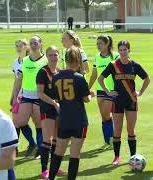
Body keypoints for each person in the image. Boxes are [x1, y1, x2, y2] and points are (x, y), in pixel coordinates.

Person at [98, 40, 150, 166]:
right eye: (120, 50)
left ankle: (133, 157)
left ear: (129, 51)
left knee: (131, 130)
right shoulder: (113, 65)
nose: (122, 52)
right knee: (117, 131)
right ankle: (116, 157)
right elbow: (101, 79)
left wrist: (140, 92)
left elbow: (147, 79)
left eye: (125, 50)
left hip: (131, 101)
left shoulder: (134, 65)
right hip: (117, 101)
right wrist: (108, 92)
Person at [48, 46, 92, 180]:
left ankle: (51, 178)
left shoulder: (56, 77)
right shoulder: (79, 78)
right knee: (74, 154)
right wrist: (90, 94)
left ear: (65, 59)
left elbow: (55, 98)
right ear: (78, 60)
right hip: (79, 120)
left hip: (64, 119)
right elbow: (86, 99)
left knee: (58, 152)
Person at [15, 35, 48, 158]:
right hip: (26, 95)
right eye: (31, 43)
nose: (33, 45)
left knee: (39, 124)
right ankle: (32, 143)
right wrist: (15, 96)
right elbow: (20, 79)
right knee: (20, 121)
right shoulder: (25, 60)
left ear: (40, 44)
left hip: (40, 96)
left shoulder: (45, 60)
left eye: (35, 43)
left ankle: (40, 149)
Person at [36, 46, 63, 178]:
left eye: (55, 55)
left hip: (59, 108)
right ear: (47, 56)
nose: (53, 57)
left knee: (57, 140)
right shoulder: (42, 72)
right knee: (47, 140)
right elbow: (40, 93)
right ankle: (44, 170)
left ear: (59, 56)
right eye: (50, 55)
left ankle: (55, 167)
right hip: (47, 108)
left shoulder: (60, 72)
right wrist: (53, 103)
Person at [88, 35, 119, 150]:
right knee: (104, 117)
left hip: (111, 90)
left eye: (100, 43)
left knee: (106, 114)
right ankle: (108, 141)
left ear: (107, 44)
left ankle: (112, 139)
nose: (98, 46)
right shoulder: (97, 57)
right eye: (97, 43)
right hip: (100, 90)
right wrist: (87, 88)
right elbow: (94, 75)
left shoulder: (115, 56)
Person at [10, 39, 35, 155]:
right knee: (16, 121)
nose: (18, 48)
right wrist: (13, 95)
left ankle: (34, 144)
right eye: (16, 46)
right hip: (18, 95)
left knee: (21, 121)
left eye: (20, 45)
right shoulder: (16, 62)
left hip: (27, 94)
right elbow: (16, 80)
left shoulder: (29, 60)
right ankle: (16, 146)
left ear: (26, 47)